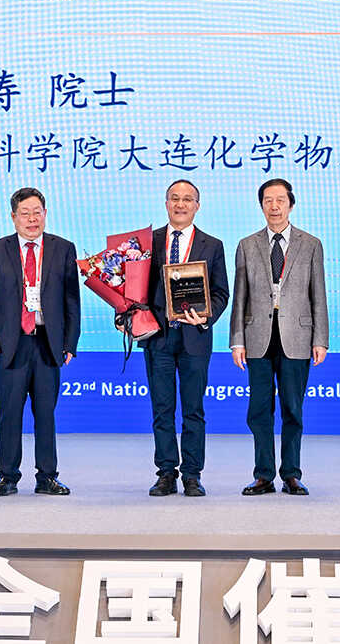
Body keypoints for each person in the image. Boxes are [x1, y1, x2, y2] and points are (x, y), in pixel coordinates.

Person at [0, 188, 80, 497]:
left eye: (37, 212)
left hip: (48, 343)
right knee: (9, 413)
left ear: (45, 214)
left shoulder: (63, 249)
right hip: (10, 345)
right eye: (25, 213)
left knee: (46, 414)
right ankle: (7, 476)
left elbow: (72, 302)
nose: (32, 219)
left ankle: (47, 476)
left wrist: (70, 342)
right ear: (13, 217)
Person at [229, 179, 328, 496]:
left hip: (297, 337)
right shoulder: (247, 245)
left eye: (280, 200)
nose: (274, 206)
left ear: (291, 204)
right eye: (268, 201)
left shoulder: (310, 244)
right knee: (259, 410)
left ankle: (292, 474)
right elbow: (240, 296)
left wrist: (320, 338)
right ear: (261, 206)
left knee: (293, 410)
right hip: (257, 336)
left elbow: (318, 295)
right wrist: (237, 340)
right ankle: (263, 474)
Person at [140, 179, 229, 497]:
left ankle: (192, 474)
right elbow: (134, 291)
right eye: (175, 199)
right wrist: (128, 315)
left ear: (197, 206)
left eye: (187, 199)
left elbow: (221, 293)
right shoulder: (147, 242)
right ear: (166, 204)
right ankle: (166, 473)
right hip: (159, 339)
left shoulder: (212, 245)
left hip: (195, 338)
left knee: (194, 410)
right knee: (162, 409)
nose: (181, 204)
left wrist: (206, 316)